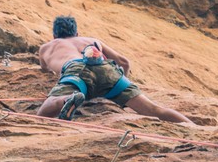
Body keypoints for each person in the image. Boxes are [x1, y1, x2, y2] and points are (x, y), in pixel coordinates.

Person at [37, 16, 197, 125]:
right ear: (76, 33)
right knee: (154, 109)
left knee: (49, 104)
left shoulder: (47, 47)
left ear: (54, 35)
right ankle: (195, 127)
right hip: (105, 68)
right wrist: (121, 85)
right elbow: (124, 62)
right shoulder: (91, 40)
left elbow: (45, 69)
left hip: (75, 72)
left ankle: (66, 100)